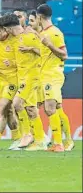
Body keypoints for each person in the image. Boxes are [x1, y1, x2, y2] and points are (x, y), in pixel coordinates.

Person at [0, 13, 47, 150]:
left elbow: (45, 53)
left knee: (17, 103)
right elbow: (20, 57)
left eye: (5, 29)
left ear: (9, 28)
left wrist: (31, 48)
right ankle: (40, 141)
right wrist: (11, 62)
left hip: (32, 76)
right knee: (31, 109)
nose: (5, 32)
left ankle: (27, 135)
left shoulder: (30, 36)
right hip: (22, 77)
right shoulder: (16, 38)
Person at [28, 9, 74, 151]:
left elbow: (64, 55)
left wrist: (49, 45)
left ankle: (58, 143)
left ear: (40, 17)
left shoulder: (54, 33)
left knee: (49, 108)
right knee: (56, 108)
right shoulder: (44, 33)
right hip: (44, 75)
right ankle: (65, 141)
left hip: (52, 75)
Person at [0, 16, 21, 151]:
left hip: (13, 80)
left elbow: (24, 61)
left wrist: (12, 63)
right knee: (9, 111)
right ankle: (17, 139)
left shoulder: (14, 41)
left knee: (2, 107)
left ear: (5, 30)